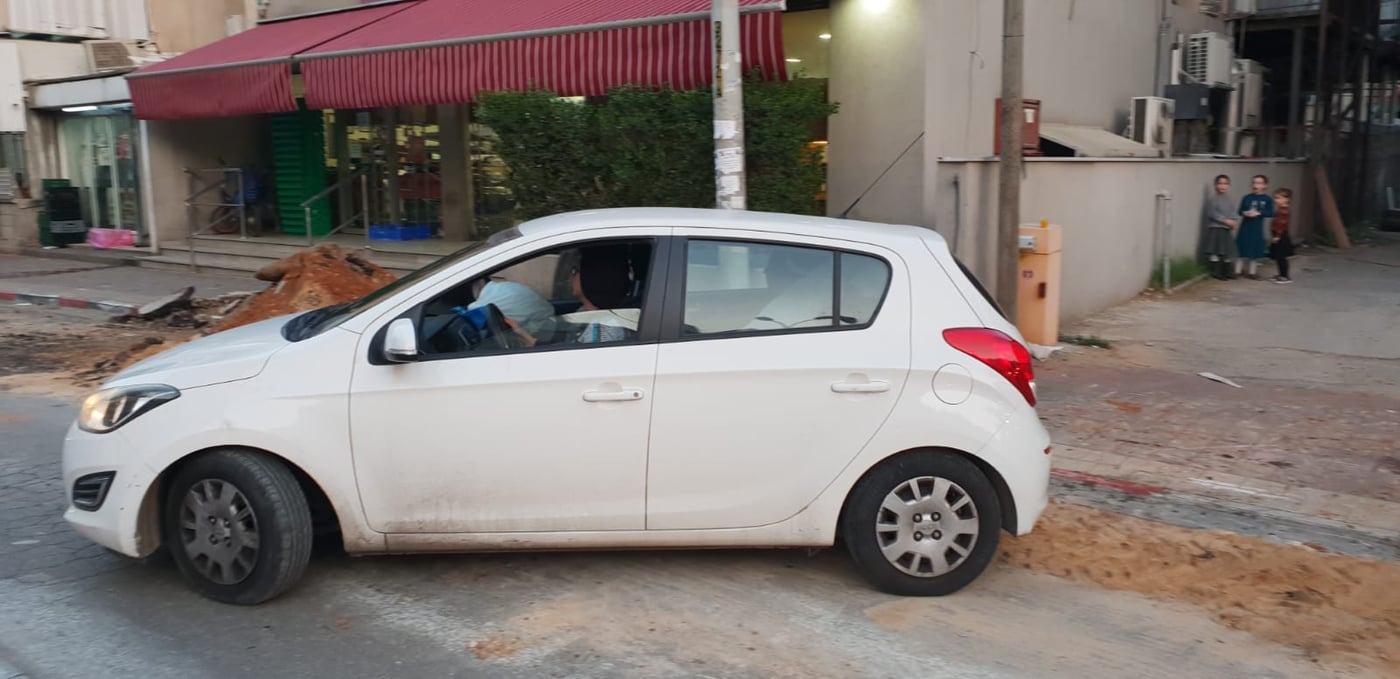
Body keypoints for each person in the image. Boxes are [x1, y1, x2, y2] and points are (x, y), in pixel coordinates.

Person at [1235, 174, 1275, 280]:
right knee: (1241, 247)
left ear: (1264, 185)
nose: (1255, 185)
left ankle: (1252, 272)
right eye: (1254, 182)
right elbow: (1240, 211)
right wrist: (1245, 213)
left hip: (1257, 227)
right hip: (1245, 226)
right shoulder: (1247, 197)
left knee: (1255, 249)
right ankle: (1237, 271)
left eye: (1259, 183)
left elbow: (1270, 212)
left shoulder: (1267, 199)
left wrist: (1259, 213)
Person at [1203, 174, 1239, 280]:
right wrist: (1226, 221)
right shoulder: (1213, 200)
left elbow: (1234, 212)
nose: (1222, 186)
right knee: (1216, 250)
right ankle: (1216, 271)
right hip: (1216, 228)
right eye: (1220, 183)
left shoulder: (1230, 200)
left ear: (1228, 185)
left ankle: (1227, 270)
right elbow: (1213, 214)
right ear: (1215, 185)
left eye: (1225, 184)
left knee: (1226, 250)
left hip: (1226, 229)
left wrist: (1235, 222)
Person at [1269, 187, 1295, 284]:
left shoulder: (1284, 211)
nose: (1276, 200)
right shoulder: (1280, 210)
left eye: (1278, 198)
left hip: (1281, 236)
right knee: (1278, 256)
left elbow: (1281, 224)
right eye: (1275, 198)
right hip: (1278, 235)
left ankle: (1285, 276)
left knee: (1281, 256)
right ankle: (1281, 274)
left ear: (1286, 199)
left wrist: (1277, 236)